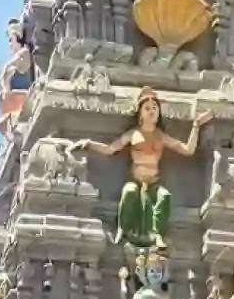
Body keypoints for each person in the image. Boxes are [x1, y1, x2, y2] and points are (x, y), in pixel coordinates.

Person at [76, 88, 212, 249]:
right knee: (129, 192)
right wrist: (90, 144)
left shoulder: (160, 136)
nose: (151, 111)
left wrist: (196, 126)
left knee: (165, 196)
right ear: (140, 113)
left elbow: (188, 150)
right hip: (136, 181)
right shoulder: (133, 134)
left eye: (155, 108)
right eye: (147, 108)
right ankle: (122, 228)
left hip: (153, 184)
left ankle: (158, 234)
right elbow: (110, 149)